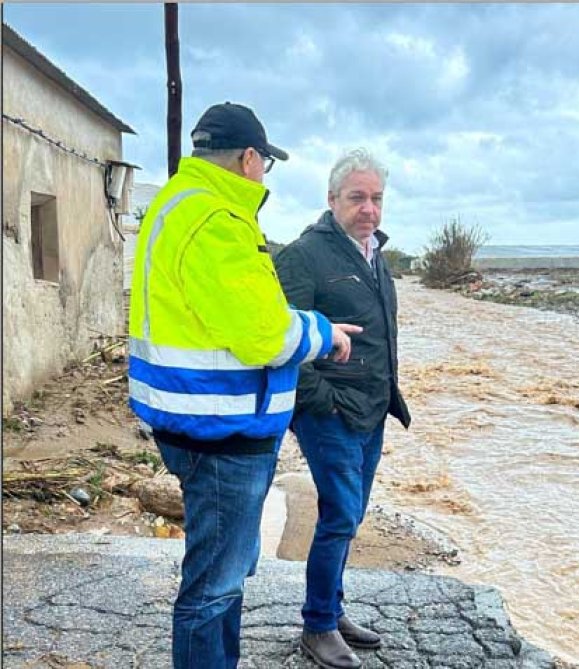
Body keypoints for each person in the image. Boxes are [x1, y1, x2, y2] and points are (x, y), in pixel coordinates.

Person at [127, 102, 360, 669]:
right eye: (264, 164)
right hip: (220, 430)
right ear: (250, 158)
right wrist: (323, 332)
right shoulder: (217, 219)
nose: (262, 175)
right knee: (215, 586)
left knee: (220, 575)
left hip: (191, 418)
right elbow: (262, 333)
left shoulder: (178, 204)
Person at [275, 148, 411, 669]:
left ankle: (332, 609)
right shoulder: (304, 256)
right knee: (339, 515)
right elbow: (286, 339)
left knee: (349, 516)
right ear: (332, 200)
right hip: (329, 412)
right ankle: (318, 626)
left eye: (377, 198)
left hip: (372, 409)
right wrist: (322, 403)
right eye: (358, 198)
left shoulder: (374, 255)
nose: (369, 209)